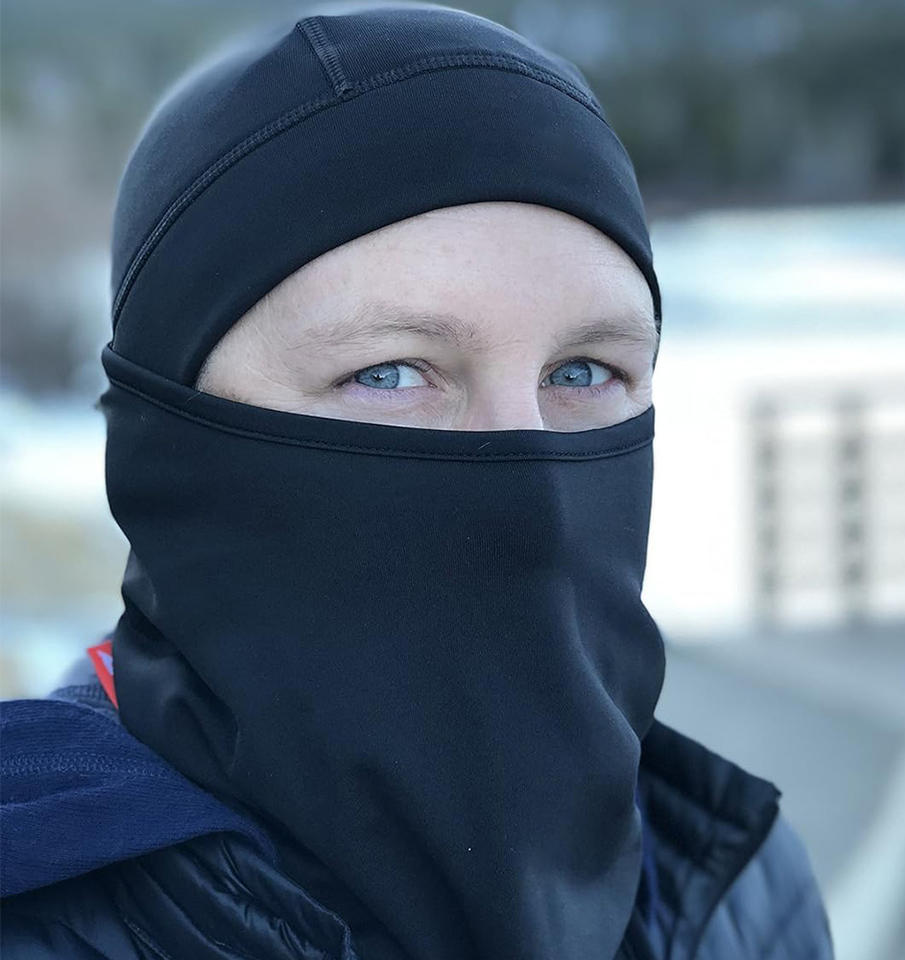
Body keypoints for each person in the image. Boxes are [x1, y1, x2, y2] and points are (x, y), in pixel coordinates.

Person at [0, 3, 834, 958]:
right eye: (390, 374)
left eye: (581, 372)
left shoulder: (734, 892)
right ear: (169, 440)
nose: (534, 495)